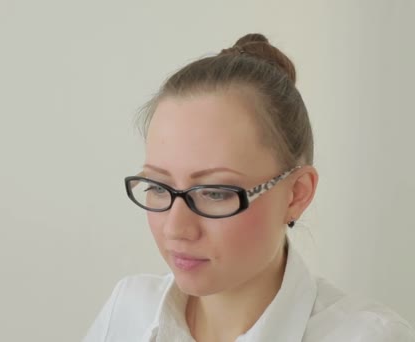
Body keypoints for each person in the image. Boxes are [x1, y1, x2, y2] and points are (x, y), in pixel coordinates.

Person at [83, 33, 415, 342]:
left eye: (215, 192)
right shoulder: (126, 313)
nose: (176, 228)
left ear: (297, 194)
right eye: (158, 186)